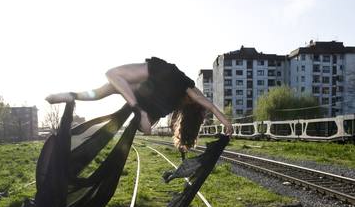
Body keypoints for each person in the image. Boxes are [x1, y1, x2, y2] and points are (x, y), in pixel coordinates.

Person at [46, 57, 233, 154]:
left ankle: (73, 96)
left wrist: (227, 123)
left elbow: (210, 106)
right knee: (108, 89)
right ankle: (72, 96)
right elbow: (211, 107)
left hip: (159, 78)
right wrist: (226, 123)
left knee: (110, 78)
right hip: (149, 95)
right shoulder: (180, 104)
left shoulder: (189, 89)